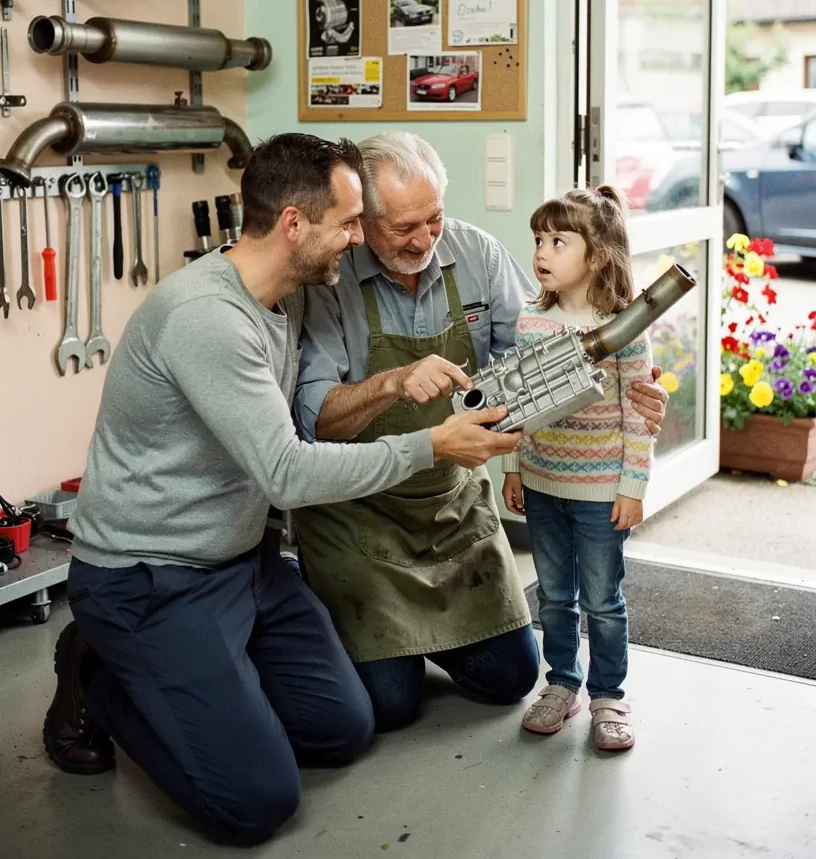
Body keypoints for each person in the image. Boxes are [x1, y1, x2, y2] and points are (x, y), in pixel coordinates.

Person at [42, 134, 521, 847]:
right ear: (295, 225)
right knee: (257, 803)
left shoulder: (292, 293)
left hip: (243, 563)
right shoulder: (207, 318)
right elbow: (290, 471)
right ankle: (104, 675)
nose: (357, 242)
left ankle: (198, 677)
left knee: (343, 728)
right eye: (350, 225)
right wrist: (429, 443)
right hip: (152, 575)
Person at [294, 134, 669, 733]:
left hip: (451, 511)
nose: (424, 240)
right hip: (360, 513)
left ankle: (420, 639)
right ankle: (343, 617)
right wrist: (391, 384)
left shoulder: (478, 254)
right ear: (363, 220)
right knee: (391, 706)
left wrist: (629, 388)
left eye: (434, 218)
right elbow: (315, 420)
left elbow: (536, 359)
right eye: (404, 228)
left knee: (510, 679)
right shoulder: (330, 280)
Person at [502, 185, 653, 752]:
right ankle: (561, 684)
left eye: (558, 241)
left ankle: (609, 695)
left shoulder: (624, 327)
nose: (541, 251)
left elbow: (636, 416)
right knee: (554, 597)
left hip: (599, 492)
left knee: (602, 600)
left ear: (596, 256)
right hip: (541, 483)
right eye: (539, 239)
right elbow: (517, 403)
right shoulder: (531, 319)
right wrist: (514, 471)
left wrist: (632, 485)